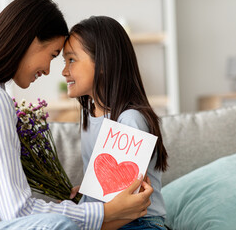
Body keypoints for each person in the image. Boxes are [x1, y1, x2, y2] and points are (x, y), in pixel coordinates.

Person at [0, 0, 153, 230]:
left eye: (69, 60)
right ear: (31, 41)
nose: (49, 70)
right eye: (54, 55)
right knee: (59, 225)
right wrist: (105, 212)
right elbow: (18, 211)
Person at [63, 16, 168, 230]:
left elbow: (131, 205)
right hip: (109, 220)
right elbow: (111, 185)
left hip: (139, 223)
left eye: (71, 60)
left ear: (103, 63)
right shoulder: (88, 115)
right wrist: (88, 192)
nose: (64, 71)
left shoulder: (129, 120)